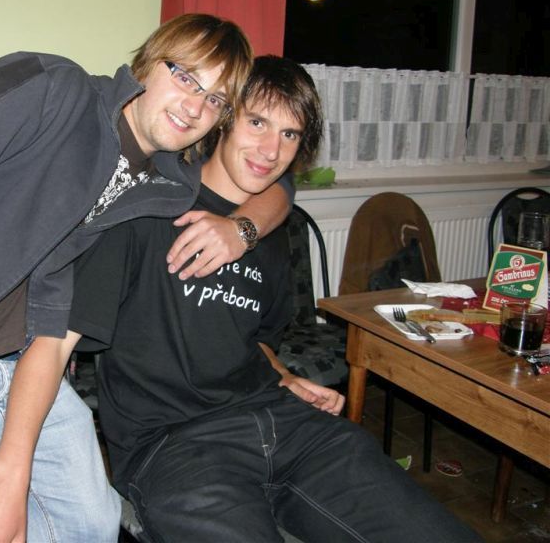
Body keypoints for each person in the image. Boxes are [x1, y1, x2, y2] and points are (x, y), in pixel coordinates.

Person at [0, 14, 296, 542]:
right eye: (185, 76)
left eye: (216, 100)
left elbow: (277, 176)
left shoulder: (167, 185)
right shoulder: (49, 88)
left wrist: (243, 229)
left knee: (91, 526)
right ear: (145, 63)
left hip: (17, 367)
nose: (194, 107)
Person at [67, 56, 483, 542]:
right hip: (177, 446)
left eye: (290, 134)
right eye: (258, 122)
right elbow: (62, 340)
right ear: (223, 118)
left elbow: (257, 339)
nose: (271, 150)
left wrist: (284, 377)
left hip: (290, 427)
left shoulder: (269, 232)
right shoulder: (148, 206)